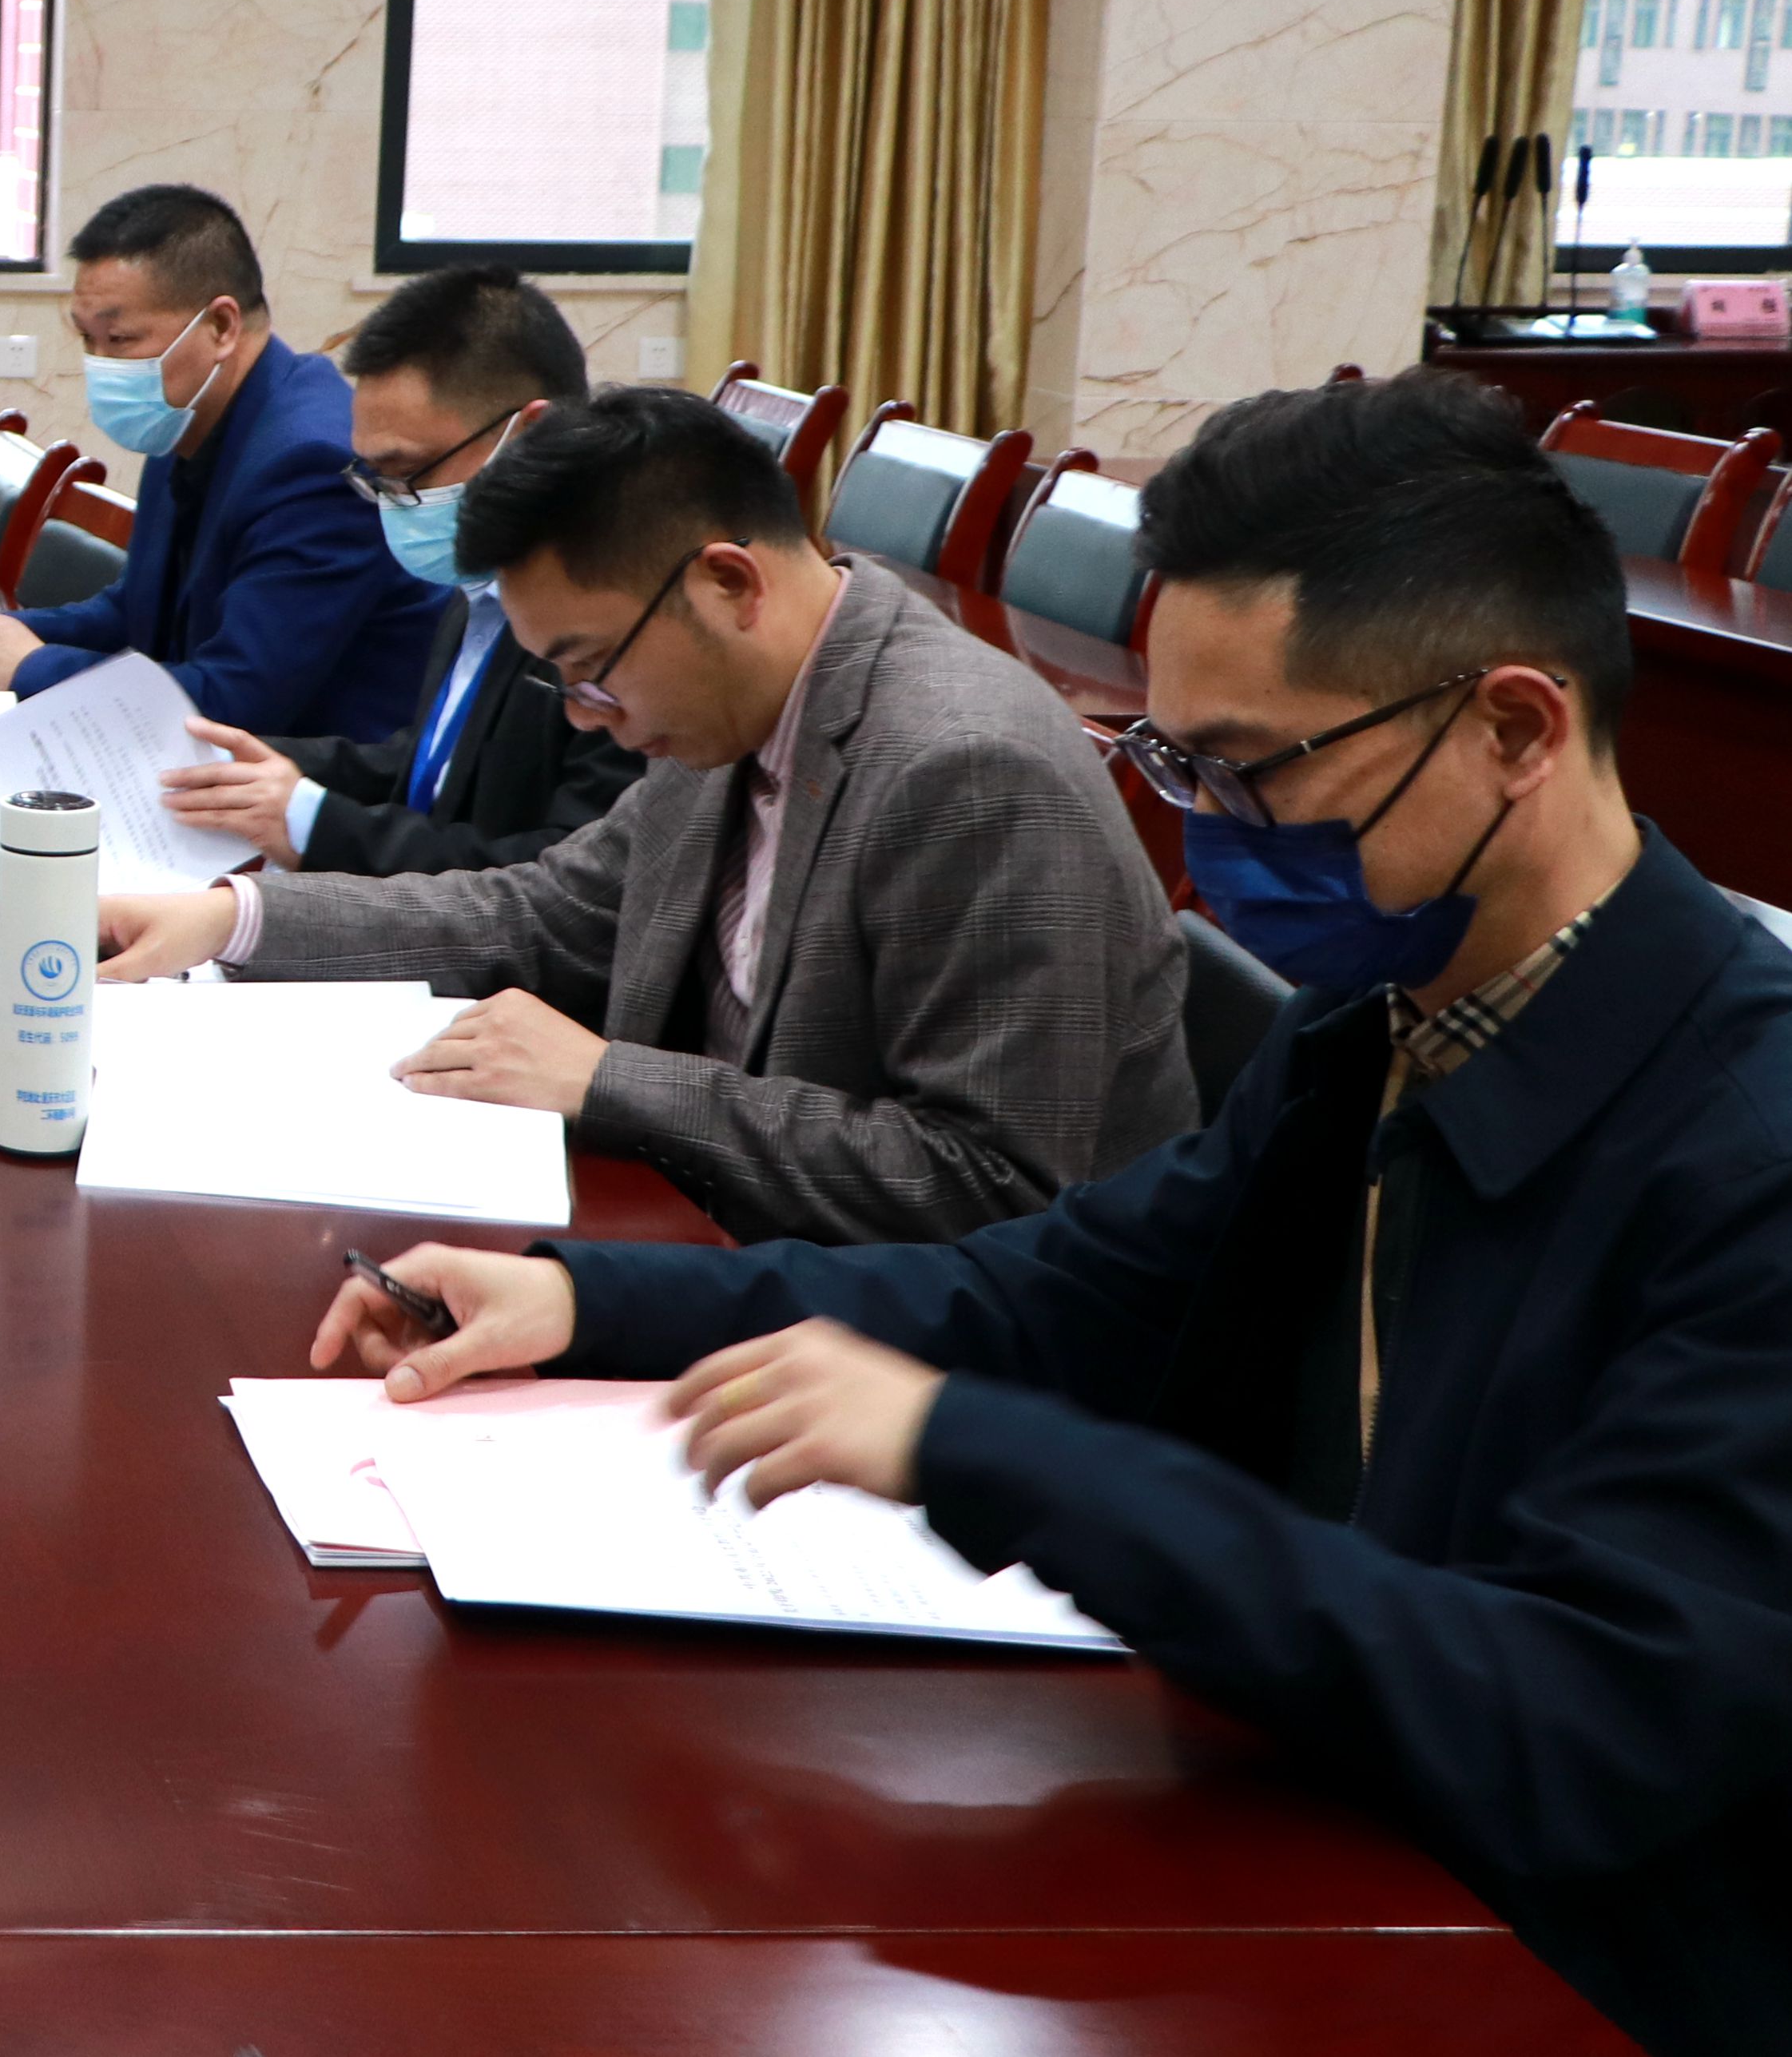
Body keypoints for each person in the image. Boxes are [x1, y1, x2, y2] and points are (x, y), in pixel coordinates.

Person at [316, 371, 1792, 2055]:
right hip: (1309, 1834)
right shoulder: (1381, 1014)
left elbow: (1571, 1717)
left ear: (1514, 729)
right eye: (1171, 758)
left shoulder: (1746, 1158)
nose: (1203, 838)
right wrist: (592, 1301)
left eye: (1247, 768)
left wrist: (990, 1453)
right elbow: (1063, 1286)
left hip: (1574, 1974)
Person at [100, 386, 1190, 1244]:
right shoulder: (734, 703)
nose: (586, 717)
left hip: (914, 1358)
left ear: (729, 584)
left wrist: (608, 1081)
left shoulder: (967, 770)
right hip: (722, 1248)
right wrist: (235, 921)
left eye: (591, 670)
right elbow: (546, 912)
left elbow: (990, 1184)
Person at [158, 264, 642, 876]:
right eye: (374, 478)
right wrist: (245, 765)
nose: (393, 503)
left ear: (530, 433)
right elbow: (432, 771)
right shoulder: (481, 574)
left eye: (409, 472)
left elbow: (567, 878)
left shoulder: (620, 615)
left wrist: (313, 823)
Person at [0, 185, 443, 739]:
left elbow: (235, 700)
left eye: (120, 338)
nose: (100, 364)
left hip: (308, 776)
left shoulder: (312, 463)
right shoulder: (186, 415)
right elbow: (137, 613)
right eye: (87, 339)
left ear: (221, 327)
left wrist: (27, 666)